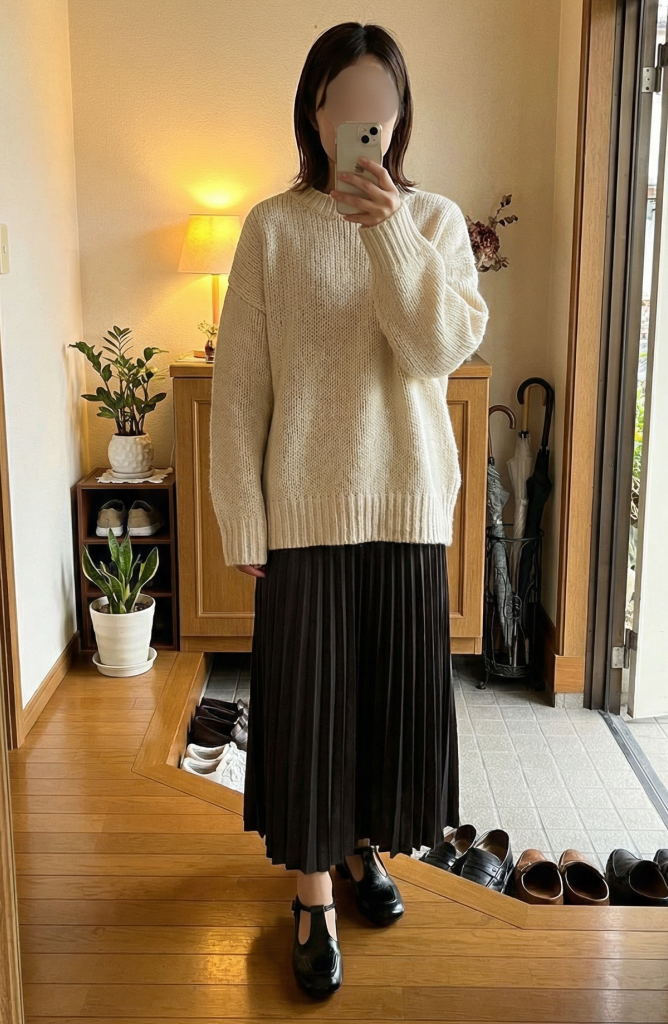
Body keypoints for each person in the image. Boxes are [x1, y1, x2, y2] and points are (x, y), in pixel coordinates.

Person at [209, 21, 489, 998]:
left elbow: (435, 350)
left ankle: (366, 847)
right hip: (303, 512)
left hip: (407, 508)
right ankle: (313, 895)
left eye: (382, 106)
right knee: (309, 712)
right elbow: (240, 388)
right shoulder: (271, 228)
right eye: (346, 104)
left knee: (383, 706)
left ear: (400, 116)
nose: (365, 122)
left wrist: (389, 234)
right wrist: (243, 515)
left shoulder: (437, 223)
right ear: (316, 111)